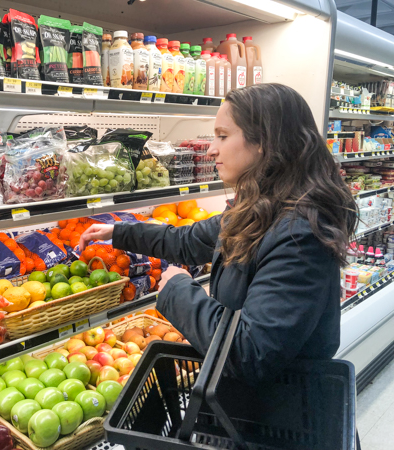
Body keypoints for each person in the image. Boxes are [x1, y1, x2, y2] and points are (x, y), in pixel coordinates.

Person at [80, 83, 358, 385]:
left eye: (223, 136)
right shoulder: (259, 209)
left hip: (280, 415)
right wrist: (118, 232)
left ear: (263, 141)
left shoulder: (299, 235)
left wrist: (178, 290)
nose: (212, 148)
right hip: (251, 408)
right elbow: (188, 241)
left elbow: (249, 351)